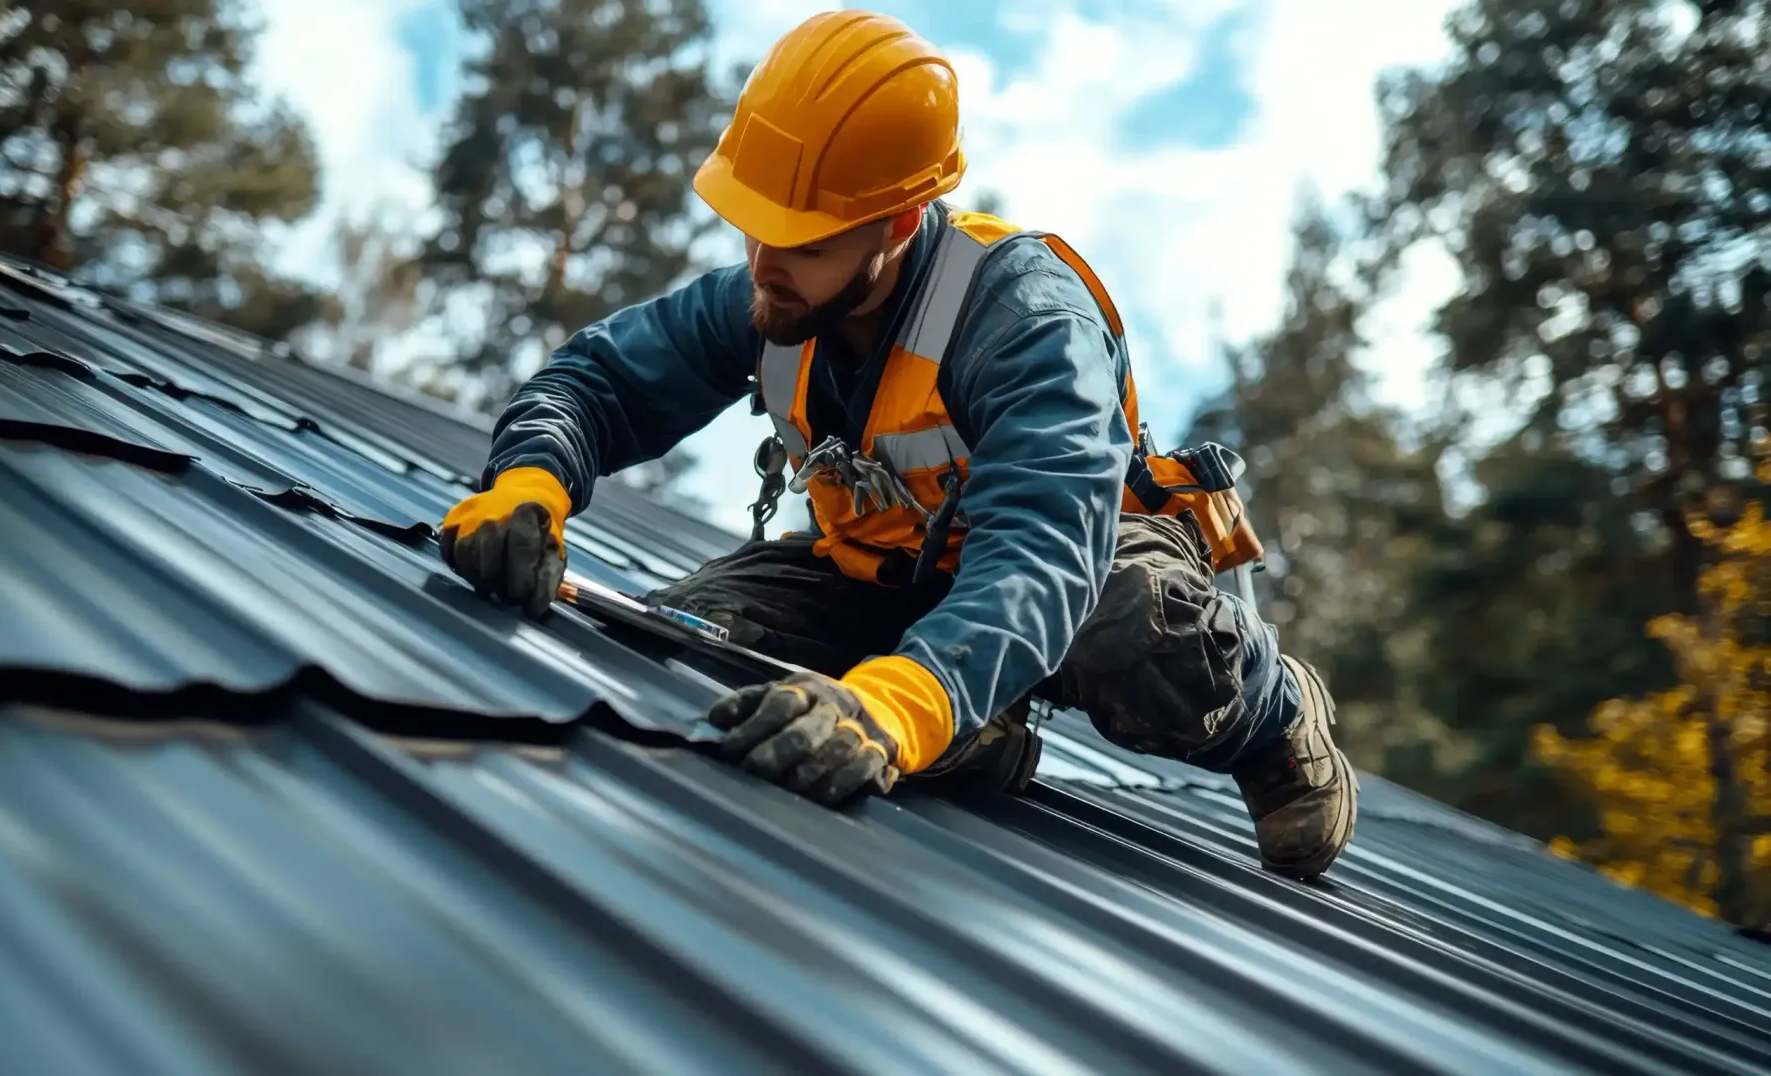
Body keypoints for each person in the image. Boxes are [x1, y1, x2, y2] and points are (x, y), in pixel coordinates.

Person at [438, 9, 1358, 879]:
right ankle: (974, 723)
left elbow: (1041, 557)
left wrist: (896, 709)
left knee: (1131, 628)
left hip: (1078, 574)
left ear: (899, 224)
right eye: (757, 226)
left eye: (804, 241)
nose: (764, 263)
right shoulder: (776, 293)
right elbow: (597, 380)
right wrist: (529, 484)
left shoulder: (1027, 320)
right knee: (696, 636)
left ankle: (1277, 718)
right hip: (888, 579)